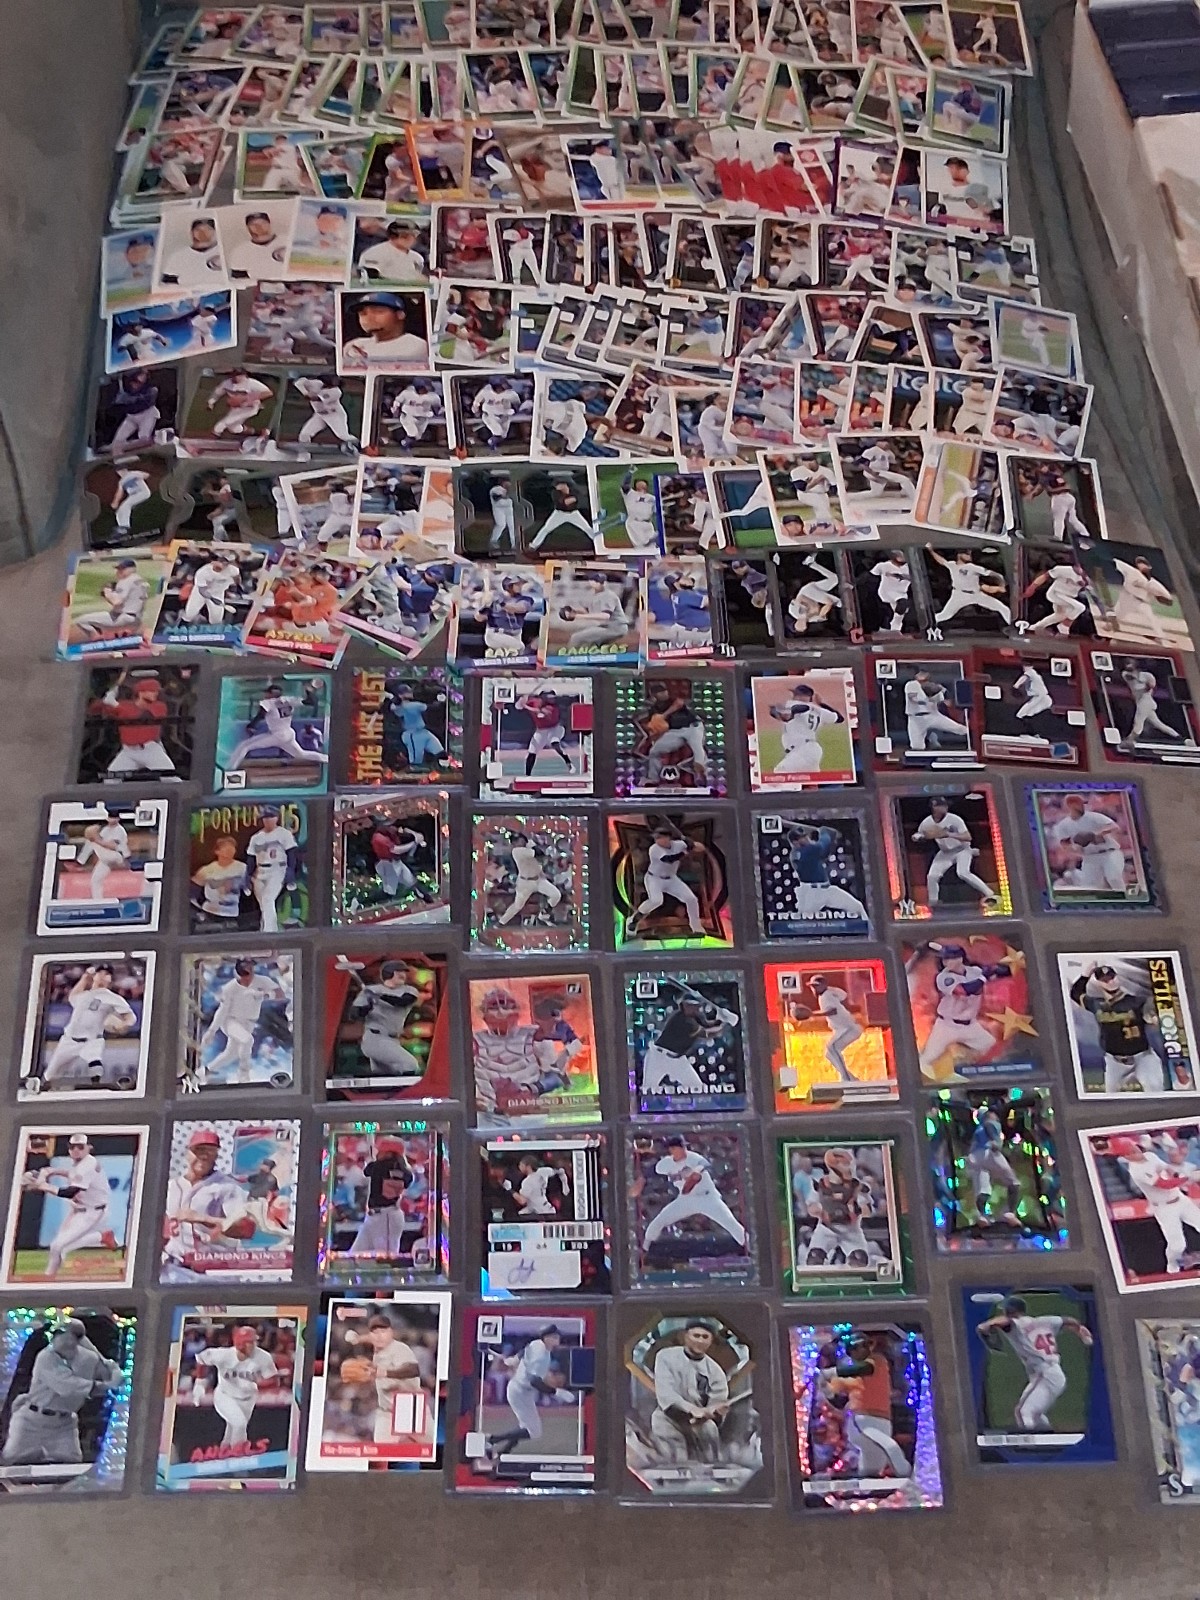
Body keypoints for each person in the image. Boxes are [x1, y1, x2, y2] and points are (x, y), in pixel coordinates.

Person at [0, 1319, 122, 1469]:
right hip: (32, 1422)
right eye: (60, 1337)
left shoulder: (88, 1358)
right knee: (10, 1466)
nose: (67, 1343)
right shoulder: (46, 1357)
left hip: (64, 1425)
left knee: (73, 1467)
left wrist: (113, 1371)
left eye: (72, 1338)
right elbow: (68, 1387)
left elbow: (105, 1376)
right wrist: (107, 1386)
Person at [975, 1295, 1093, 1431]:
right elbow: (1069, 1321)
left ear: (1010, 1311)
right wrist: (1080, 1328)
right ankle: (1049, 1437)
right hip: (1051, 1372)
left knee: (1023, 1412)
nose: (1004, 1312)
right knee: (1035, 1415)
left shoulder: (1017, 1324)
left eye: (1006, 1310)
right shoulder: (1046, 1321)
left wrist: (987, 1325)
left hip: (1045, 1373)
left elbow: (1006, 1321)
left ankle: (1032, 1441)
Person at [26, 1134, 118, 1277]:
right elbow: (73, 1175)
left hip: (92, 1212)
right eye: (72, 1147)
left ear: (88, 1147)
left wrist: (44, 1186)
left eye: (80, 1147)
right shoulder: (82, 1162)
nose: (75, 1150)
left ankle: (49, 1277)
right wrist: (53, 1171)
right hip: (80, 1208)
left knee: (57, 1246)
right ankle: (102, 1237)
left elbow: (70, 1192)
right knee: (60, 1246)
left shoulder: (87, 1165)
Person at [638, 1135, 747, 1250]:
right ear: (672, 1149)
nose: (684, 1149)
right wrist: (641, 1181)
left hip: (708, 1198)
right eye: (680, 1147)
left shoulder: (693, 1158)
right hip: (686, 1199)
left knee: (731, 1223)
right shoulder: (666, 1163)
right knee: (660, 1220)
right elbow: (651, 1171)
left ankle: (750, 1247)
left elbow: (706, 1165)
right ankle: (644, 1249)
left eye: (684, 1146)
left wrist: (697, 1172)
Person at [1069, 964, 1166, 1094]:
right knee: (1110, 1097)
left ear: (1117, 978)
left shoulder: (1137, 1001)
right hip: (1115, 1062)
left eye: (1112, 977)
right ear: (1099, 984)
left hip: (1143, 1058)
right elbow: (1075, 994)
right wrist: (1086, 974)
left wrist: (1151, 1017)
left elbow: (1149, 1012)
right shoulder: (1096, 1004)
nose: (1111, 982)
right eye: (1105, 980)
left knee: (1156, 1092)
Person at [42, 964, 135, 1088]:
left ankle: (97, 1088)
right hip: (69, 1040)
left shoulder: (112, 998)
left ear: (110, 979)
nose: (102, 976)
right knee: (50, 1075)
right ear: (94, 976)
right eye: (100, 973)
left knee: (95, 1064)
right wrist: (84, 978)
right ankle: (41, 1089)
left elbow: (130, 1016)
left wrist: (125, 1024)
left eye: (107, 974)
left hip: (92, 1040)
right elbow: (72, 997)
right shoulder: (83, 995)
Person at [649, 1322, 730, 1463]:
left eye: (705, 1337)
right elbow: (666, 1394)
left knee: (710, 1440)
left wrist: (715, 1412)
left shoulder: (716, 1371)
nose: (700, 1341)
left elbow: (717, 1401)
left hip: (701, 1423)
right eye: (696, 1336)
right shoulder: (665, 1357)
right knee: (675, 1462)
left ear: (711, 1341)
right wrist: (691, 1410)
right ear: (685, 1337)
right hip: (668, 1418)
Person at [200, 957, 287, 1085]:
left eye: (249, 973)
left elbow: (281, 994)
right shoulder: (230, 988)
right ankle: (243, 1074)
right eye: (244, 975)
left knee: (231, 1054)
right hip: (231, 1021)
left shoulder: (261, 981)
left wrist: (265, 994)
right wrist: (211, 1031)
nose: (247, 979)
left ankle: (205, 1071)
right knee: (247, 1040)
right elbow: (222, 1011)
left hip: (249, 1022)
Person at [485, 1325, 567, 1458]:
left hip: (522, 1391)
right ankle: (492, 1439)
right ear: (546, 1338)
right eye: (554, 1337)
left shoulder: (537, 1344)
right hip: (520, 1392)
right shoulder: (540, 1356)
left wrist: (514, 1359)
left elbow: (524, 1351)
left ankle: (502, 1453)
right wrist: (556, 1392)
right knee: (534, 1432)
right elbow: (534, 1381)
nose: (558, 1339)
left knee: (525, 1427)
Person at [194, 1324, 279, 1449]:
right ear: (240, 1344)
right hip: (225, 1395)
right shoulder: (224, 1355)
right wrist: (200, 1382)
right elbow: (201, 1359)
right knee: (240, 1424)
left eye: (254, 1341)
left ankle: (223, 1453)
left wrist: (257, 1384)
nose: (254, 1345)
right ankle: (238, 1456)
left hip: (248, 1399)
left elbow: (274, 1380)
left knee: (232, 1429)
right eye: (250, 1342)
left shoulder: (263, 1357)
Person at [911, 796, 998, 906]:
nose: (945, 807)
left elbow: (968, 837)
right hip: (945, 852)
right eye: (941, 805)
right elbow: (919, 834)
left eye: (945, 805)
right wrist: (918, 837)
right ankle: (933, 902)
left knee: (963, 873)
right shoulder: (927, 822)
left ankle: (990, 894)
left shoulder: (954, 819)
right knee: (932, 876)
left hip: (962, 849)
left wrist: (948, 834)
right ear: (934, 807)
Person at [631, 826, 705, 936]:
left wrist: (691, 843)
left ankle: (697, 928)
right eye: (656, 838)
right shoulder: (654, 849)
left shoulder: (678, 844)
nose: (657, 840)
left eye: (660, 837)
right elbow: (668, 859)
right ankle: (635, 919)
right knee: (656, 900)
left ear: (668, 838)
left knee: (691, 899)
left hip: (671, 879)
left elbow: (701, 848)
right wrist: (685, 852)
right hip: (654, 878)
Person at [1048, 793, 1126, 892]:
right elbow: (1064, 843)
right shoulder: (1064, 825)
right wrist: (1074, 848)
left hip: (1109, 852)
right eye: (1079, 804)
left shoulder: (1093, 817)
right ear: (1070, 806)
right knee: (1090, 887)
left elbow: (1114, 827)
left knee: (1114, 878)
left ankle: (1126, 898)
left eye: (1082, 804)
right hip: (1089, 856)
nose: (1082, 806)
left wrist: (1096, 834)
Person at [342, 292, 430, 366]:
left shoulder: (415, 344)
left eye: (378, 311)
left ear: (400, 314)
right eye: (363, 314)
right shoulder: (355, 343)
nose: (369, 318)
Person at [495, 831, 563, 924]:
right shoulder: (517, 851)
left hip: (538, 880)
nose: (519, 842)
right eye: (516, 841)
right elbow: (539, 853)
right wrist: (531, 843)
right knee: (518, 906)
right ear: (513, 843)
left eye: (520, 840)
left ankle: (543, 914)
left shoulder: (527, 848)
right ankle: (501, 922)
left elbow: (541, 858)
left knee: (556, 895)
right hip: (525, 883)